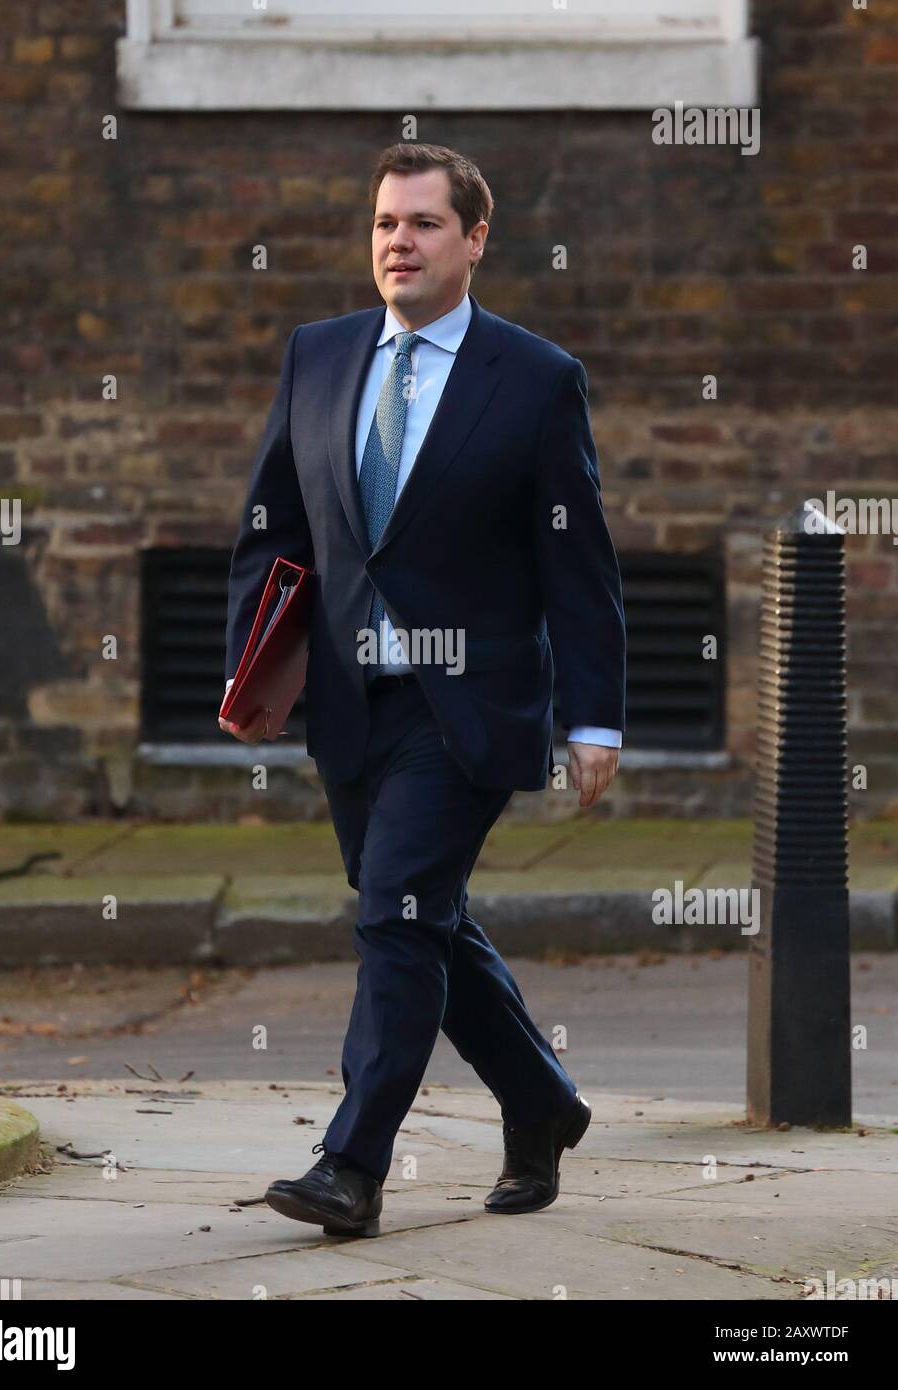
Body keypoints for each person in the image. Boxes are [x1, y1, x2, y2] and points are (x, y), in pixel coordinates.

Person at [221, 143, 625, 1237]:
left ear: (475, 238)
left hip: (470, 706)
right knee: (419, 919)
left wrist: (592, 717)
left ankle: (350, 1165)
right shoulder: (316, 356)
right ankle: (540, 1099)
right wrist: (249, 664)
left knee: (394, 912)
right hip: (352, 703)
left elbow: (574, 562)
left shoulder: (534, 378)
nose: (398, 243)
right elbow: (273, 528)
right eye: (384, 225)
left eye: (423, 224)